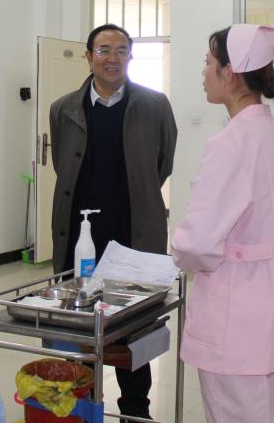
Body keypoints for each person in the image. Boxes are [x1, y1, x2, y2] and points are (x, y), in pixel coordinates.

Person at [173, 24, 274, 423]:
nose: (203, 71)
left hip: (237, 320)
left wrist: (178, 252)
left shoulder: (231, 142)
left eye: (208, 62)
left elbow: (198, 242)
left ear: (230, 73)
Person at [49, 23, 177, 420]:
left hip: (132, 232)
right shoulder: (64, 108)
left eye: (121, 50)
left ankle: (135, 409)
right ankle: (83, 405)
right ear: (89, 56)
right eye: (104, 50)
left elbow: (162, 164)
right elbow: (64, 167)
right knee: (80, 323)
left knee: (135, 326)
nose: (113, 58)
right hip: (81, 234)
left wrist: (136, 194)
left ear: (130, 57)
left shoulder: (154, 105)